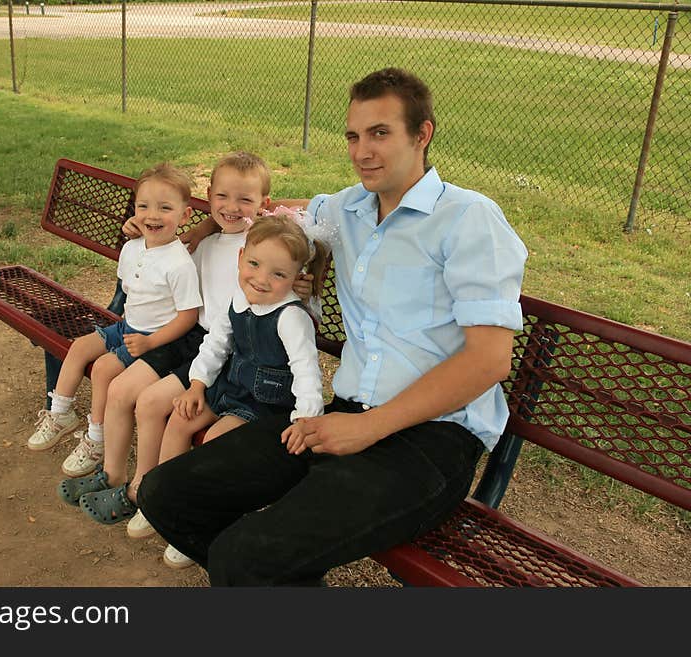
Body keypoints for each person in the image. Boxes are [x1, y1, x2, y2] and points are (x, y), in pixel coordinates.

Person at [137, 67, 528, 585]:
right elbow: (272, 213)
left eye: (380, 133)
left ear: (422, 134)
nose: (362, 150)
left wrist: (369, 427)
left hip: (431, 439)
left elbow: (489, 360)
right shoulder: (347, 209)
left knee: (243, 557)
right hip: (339, 415)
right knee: (165, 493)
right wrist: (201, 229)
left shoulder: (469, 219)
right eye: (353, 135)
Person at [55, 152, 274, 528]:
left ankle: (148, 492)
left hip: (222, 351)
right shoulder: (201, 244)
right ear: (208, 197)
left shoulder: (261, 247)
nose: (232, 208)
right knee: (125, 391)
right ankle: (118, 477)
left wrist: (306, 273)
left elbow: (291, 225)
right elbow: (165, 244)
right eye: (222, 198)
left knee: (151, 402)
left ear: (263, 205)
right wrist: (146, 225)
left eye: (244, 200)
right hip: (194, 338)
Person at [147, 212, 328, 568]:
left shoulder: (290, 316)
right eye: (255, 264)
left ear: (295, 278)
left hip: (265, 400)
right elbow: (216, 344)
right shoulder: (238, 298)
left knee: (217, 440)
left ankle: (209, 520)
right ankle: (169, 501)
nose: (261, 280)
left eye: (278, 274)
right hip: (231, 383)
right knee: (180, 419)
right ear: (240, 257)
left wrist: (306, 419)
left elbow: (307, 371)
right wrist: (197, 384)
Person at [26, 162, 202, 480]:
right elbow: (130, 294)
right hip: (127, 326)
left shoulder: (179, 264)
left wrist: (150, 341)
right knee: (79, 347)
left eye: (165, 208)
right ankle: (60, 413)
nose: (152, 215)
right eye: (144, 206)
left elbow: (188, 317)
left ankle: (96, 438)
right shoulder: (132, 248)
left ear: (184, 215)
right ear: (134, 210)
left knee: (106, 368)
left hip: (156, 338)